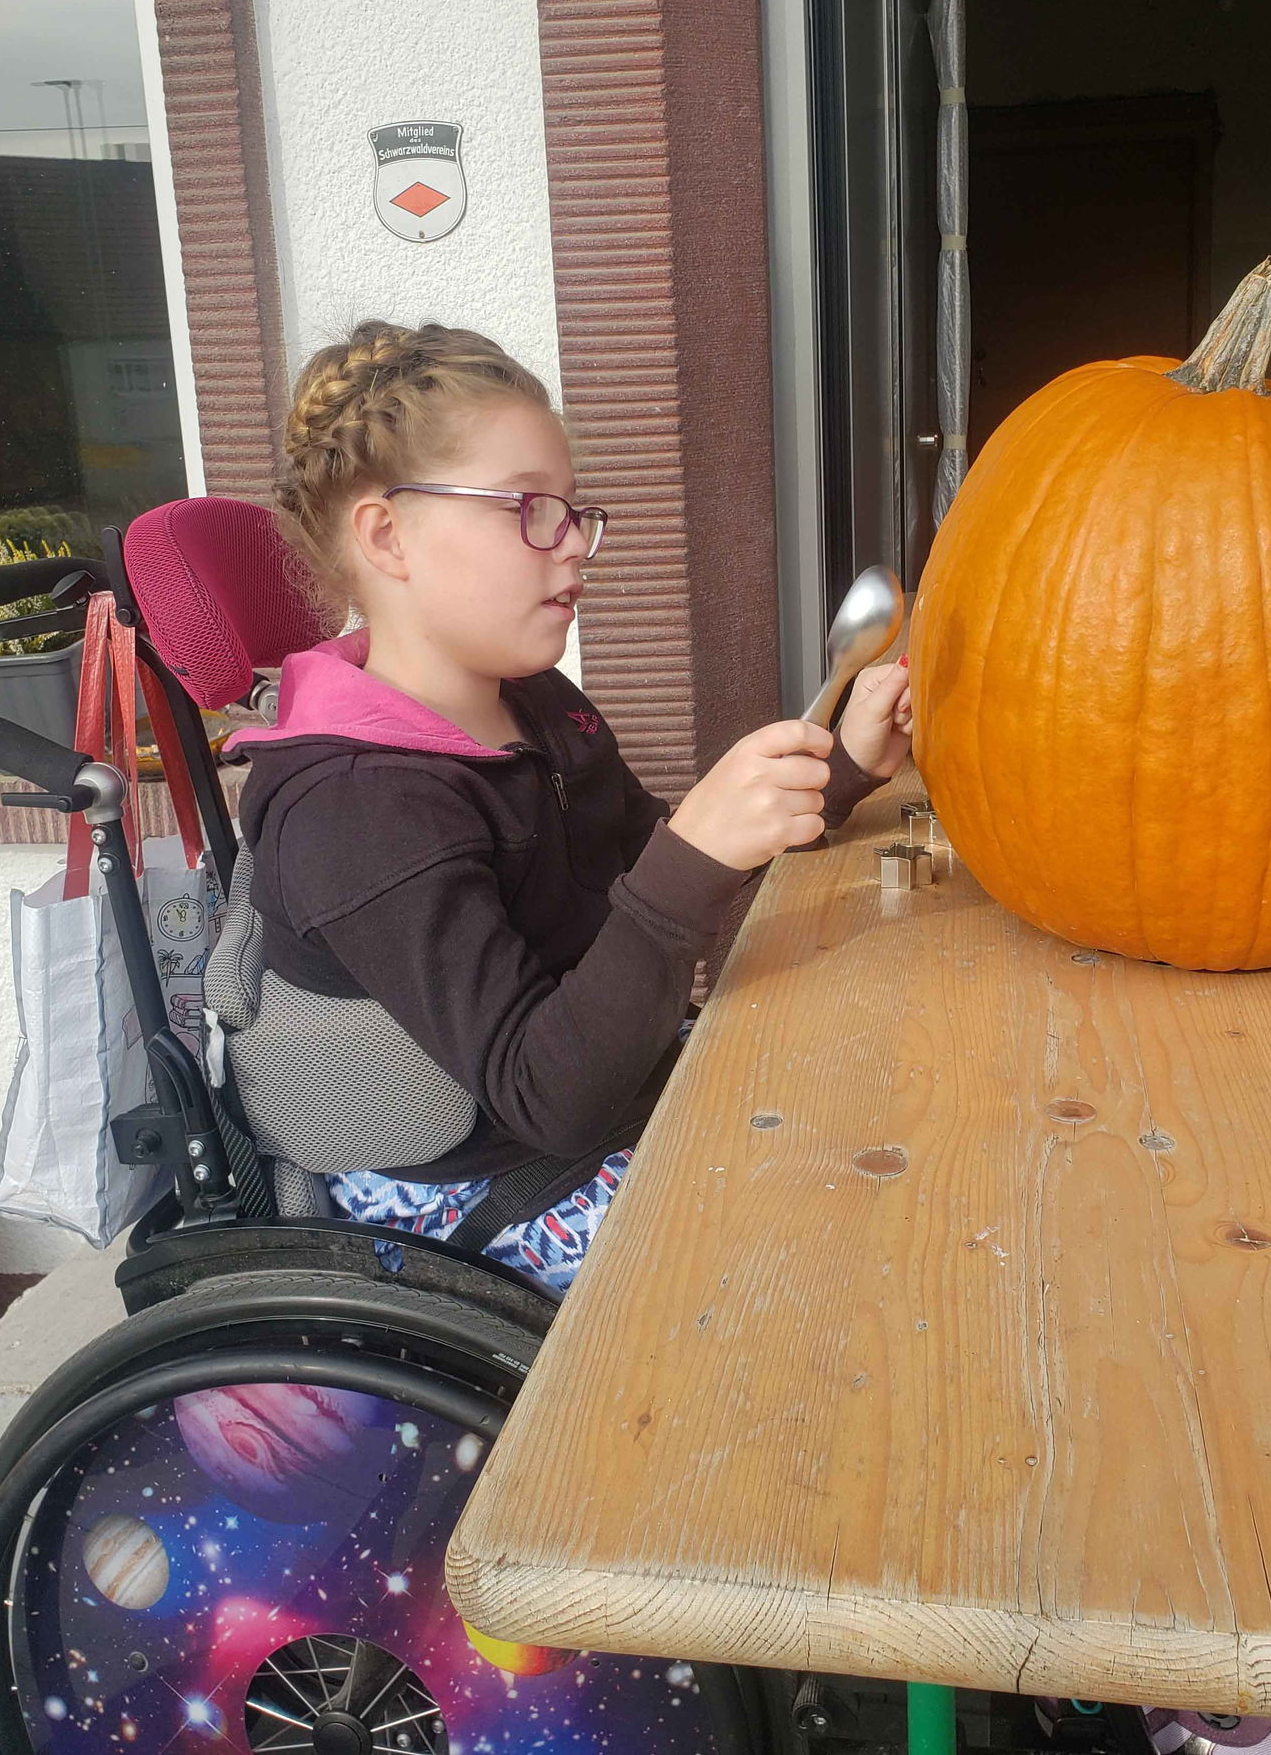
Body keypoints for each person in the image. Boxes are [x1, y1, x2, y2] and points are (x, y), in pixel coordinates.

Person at [227, 320, 913, 1291]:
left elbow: (650, 866)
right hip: (488, 1196)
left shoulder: (539, 706)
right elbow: (544, 1096)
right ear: (387, 536)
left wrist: (841, 768)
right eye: (528, 510)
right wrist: (690, 859)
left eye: (574, 510)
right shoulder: (358, 808)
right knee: (861, 1243)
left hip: (618, 1089)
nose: (574, 546)